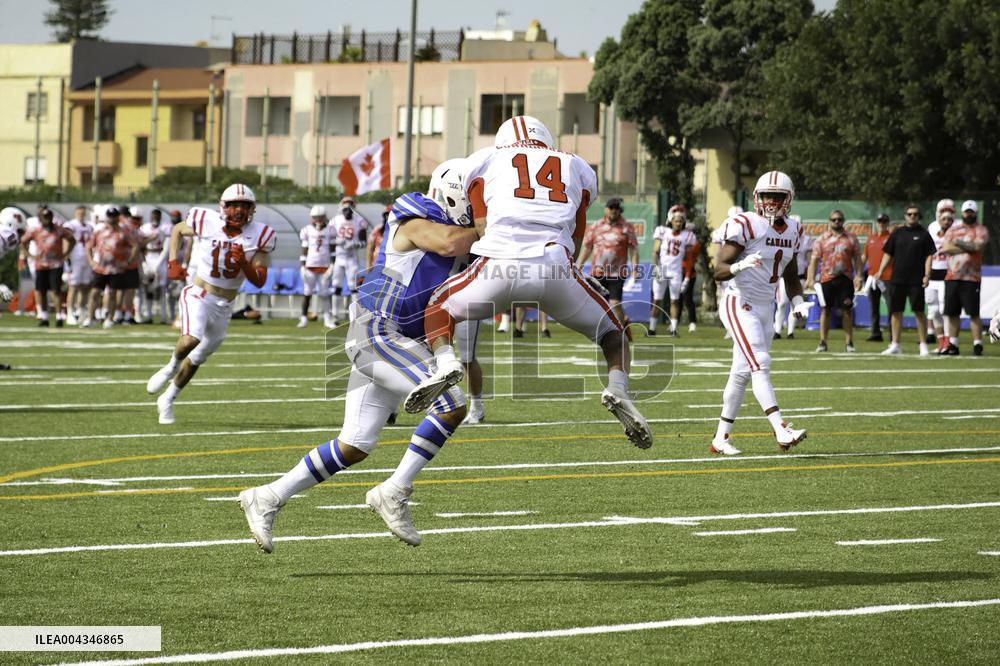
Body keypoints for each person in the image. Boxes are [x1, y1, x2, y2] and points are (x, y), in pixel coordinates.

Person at [239, 162, 478, 551]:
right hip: (378, 331)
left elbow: (443, 308)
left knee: (355, 444)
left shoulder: (463, 244)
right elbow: (450, 243)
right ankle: (395, 490)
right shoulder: (418, 218)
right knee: (451, 405)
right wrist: (492, 224)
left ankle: (267, 496)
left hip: (395, 340)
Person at [409, 116, 653, 450]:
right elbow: (577, 234)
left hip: (499, 267)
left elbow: (482, 225)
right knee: (615, 333)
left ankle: (447, 363)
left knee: (438, 306)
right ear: (546, 138)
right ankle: (618, 387)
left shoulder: (484, 159)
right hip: (555, 267)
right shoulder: (577, 165)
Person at [145, 184, 275, 424]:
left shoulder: (262, 234)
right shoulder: (205, 219)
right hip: (199, 292)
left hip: (225, 304)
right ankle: (171, 366)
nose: (238, 211)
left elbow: (259, 280)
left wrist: (245, 265)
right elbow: (176, 230)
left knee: (199, 357)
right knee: (192, 338)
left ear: (252, 209)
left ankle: (168, 398)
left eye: (244, 206)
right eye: (234, 205)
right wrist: (173, 261)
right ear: (222, 206)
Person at [711, 171, 810, 456]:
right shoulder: (746, 224)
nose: (771, 202)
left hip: (766, 306)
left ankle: (721, 438)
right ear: (757, 197)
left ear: (788, 199)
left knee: (741, 372)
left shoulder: (793, 229)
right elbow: (719, 270)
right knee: (760, 362)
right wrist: (740, 266)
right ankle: (781, 428)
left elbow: (790, 275)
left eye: (777, 196)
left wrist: (798, 302)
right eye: (767, 195)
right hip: (739, 301)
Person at [874, 204, 935, 356]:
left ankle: (923, 344)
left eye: (915, 214)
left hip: (916, 279)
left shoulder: (924, 234)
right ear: (905, 216)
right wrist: (880, 271)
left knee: (919, 312)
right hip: (898, 279)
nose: (912, 216)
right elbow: (888, 253)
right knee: (896, 312)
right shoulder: (897, 233)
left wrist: (927, 274)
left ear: (918, 216)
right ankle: (895, 344)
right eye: (909, 214)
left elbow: (929, 255)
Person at [575, 197, 638, 326]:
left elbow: (634, 250)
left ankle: (620, 330)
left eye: (617, 208)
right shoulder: (596, 226)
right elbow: (587, 247)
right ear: (606, 209)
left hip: (617, 273)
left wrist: (635, 269)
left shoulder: (627, 227)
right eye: (611, 208)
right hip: (598, 272)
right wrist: (578, 265)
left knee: (615, 303)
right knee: (598, 305)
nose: (614, 211)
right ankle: (602, 331)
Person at [806, 209, 862, 352]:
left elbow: (857, 258)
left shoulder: (851, 238)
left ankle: (849, 343)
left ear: (843, 221)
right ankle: (823, 342)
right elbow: (814, 260)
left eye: (839, 219)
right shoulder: (822, 239)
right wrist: (810, 278)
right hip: (827, 279)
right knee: (826, 310)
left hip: (846, 278)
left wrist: (859, 276)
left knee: (847, 310)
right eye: (834, 219)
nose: (837, 222)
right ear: (829, 221)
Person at [940, 200, 990, 356]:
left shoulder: (981, 230)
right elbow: (946, 248)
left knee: (973, 313)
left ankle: (977, 344)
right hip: (952, 276)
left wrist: (959, 243)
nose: (969, 214)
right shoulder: (954, 228)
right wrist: (968, 247)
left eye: (971, 211)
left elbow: (978, 247)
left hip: (971, 277)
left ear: (976, 213)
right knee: (952, 312)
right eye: (967, 211)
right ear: (962, 213)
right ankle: (953, 344)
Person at [20, 206, 74, 327]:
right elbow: (23, 241)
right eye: (45, 217)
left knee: (56, 291)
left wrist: (66, 253)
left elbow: (71, 239)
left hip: (55, 264)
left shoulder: (59, 230)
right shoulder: (36, 230)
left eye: (49, 217)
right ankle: (44, 316)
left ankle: (59, 316)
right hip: (41, 265)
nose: (47, 220)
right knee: (41, 291)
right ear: (41, 218)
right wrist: (29, 255)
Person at [649, 205, 698, 336]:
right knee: (657, 300)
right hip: (662, 269)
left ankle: (674, 329)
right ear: (671, 220)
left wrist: (687, 277)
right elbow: (655, 251)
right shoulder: (662, 231)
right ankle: (652, 328)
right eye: (676, 220)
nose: (678, 223)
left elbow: (689, 260)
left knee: (675, 300)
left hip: (676, 271)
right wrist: (655, 268)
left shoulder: (687, 236)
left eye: (681, 221)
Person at [85, 207, 137, 329]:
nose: (112, 219)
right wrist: (92, 261)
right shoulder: (99, 231)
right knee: (95, 292)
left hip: (116, 268)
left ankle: (109, 319)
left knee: (113, 293)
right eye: (110, 216)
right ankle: (90, 318)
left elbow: (134, 246)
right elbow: (89, 246)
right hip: (101, 268)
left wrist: (129, 261)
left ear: (118, 218)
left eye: (114, 217)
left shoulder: (124, 232)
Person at [329, 196, 369, 325]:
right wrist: (336, 242)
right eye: (345, 207)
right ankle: (335, 314)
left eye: (349, 207)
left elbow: (364, 242)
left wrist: (354, 244)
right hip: (339, 258)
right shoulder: (335, 220)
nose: (347, 211)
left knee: (353, 286)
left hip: (351, 258)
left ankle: (356, 316)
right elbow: (328, 240)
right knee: (337, 286)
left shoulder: (360, 221)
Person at [298, 205, 336, 328]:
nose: (318, 220)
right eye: (316, 217)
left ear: (325, 217)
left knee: (324, 294)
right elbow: (304, 249)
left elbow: (332, 250)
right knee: (307, 293)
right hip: (310, 266)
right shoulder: (306, 230)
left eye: (320, 217)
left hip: (324, 266)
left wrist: (333, 265)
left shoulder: (330, 230)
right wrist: (302, 266)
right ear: (312, 218)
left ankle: (327, 318)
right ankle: (303, 318)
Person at [926, 199, 955, 351]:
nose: (946, 216)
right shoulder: (932, 226)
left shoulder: (957, 229)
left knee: (946, 311)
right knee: (934, 310)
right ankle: (941, 342)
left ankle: (948, 342)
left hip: (947, 274)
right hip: (932, 273)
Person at [138, 208, 172, 324]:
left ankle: (163, 316)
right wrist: (144, 263)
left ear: (160, 217)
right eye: (153, 217)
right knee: (147, 287)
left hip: (160, 258)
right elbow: (140, 245)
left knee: (162, 288)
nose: (155, 219)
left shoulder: (166, 227)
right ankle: (148, 315)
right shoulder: (144, 228)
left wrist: (160, 262)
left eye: (157, 217)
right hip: (148, 257)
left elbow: (167, 247)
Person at [862, 213, 893, 342]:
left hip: (888, 277)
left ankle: (893, 334)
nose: (881, 223)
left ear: (887, 223)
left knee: (892, 307)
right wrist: (858, 272)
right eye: (880, 221)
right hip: (872, 278)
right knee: (874, 307)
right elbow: (865, 256)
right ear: (876, 222)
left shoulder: (891, 238)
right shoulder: (871, 238)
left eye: (884, 221)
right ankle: (876, 333)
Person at [63, 205, 94, 326]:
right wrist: (66, 256)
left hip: (86, 258)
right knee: (73, 286)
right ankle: (70, 312)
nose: (81, 214)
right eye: (79, 213)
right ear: (75, 213)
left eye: (83, 213)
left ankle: (81, 310)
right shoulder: (71, 224)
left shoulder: (89, 225)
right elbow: (66, 239)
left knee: (84, 286)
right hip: (75, 258)